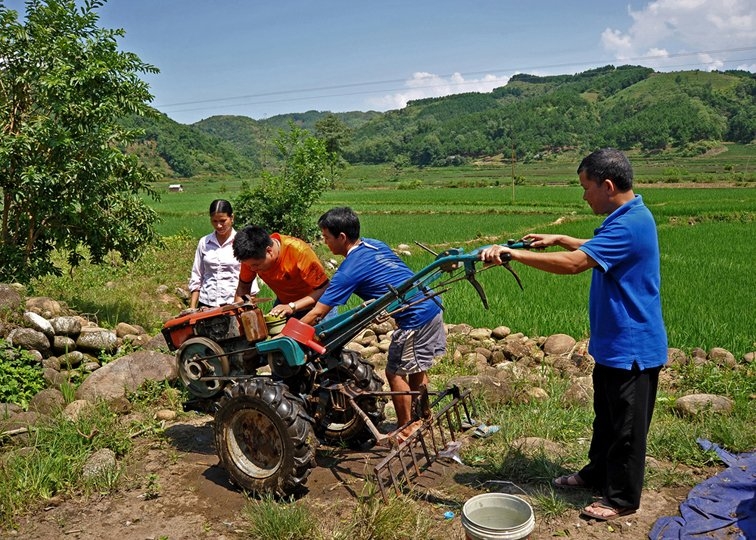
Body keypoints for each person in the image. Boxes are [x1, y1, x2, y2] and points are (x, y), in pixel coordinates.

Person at [480, 148, 667, 521]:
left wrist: (513, 256)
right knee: (607, 419)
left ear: (608, 185)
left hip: (634, 348)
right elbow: (594, 250)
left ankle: (621, 499)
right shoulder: (626, 216)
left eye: (586, 188)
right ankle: (596, 473)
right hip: (615, 344)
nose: (583, 196)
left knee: (627, 429)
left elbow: (576, 265)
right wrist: (562, 237)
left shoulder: (630, 223)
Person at [300, 207, 447, 441]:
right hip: (430, 304)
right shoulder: (373, 244)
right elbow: (390, 276)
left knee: (395, 371)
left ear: (342, 238)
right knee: (417, 367)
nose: (325, 242)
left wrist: (291, 334)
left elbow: (318, 312)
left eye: (326, 237)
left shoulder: (348, 271)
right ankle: (422, 418)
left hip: (415, 316)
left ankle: (406, 427)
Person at [233, 225, 330, 319]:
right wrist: (240, 313)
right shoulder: (250, 259)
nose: (252, 269)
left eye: (256, 265)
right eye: (249, 266)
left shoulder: (299, 252)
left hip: (318, 306)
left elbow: (324, 289)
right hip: (285, 305)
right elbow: (243, 287)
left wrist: (292, 306)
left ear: (269, 251)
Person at [188, 199, 258, 310]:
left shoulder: (242, 242)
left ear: (232, 218)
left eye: (222, 221)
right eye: (214, 221)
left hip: (233, 304)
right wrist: (192, 307)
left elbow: (251, 276)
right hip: (206, 304)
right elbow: (197, 275)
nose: (219, 225)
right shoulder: (204, 242)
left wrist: (250, 302)